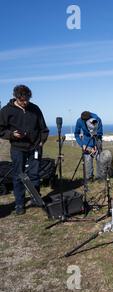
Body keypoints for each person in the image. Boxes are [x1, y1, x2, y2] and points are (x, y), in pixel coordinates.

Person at [0, 85, 49, 215]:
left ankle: (36, 199)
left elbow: (43, 128)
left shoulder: (35, 109)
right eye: (22, 100)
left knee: (34, 174)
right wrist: (12, 135)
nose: (25, 102)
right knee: (18, 176)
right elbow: (1, 130)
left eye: (27, 99)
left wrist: (41, 142)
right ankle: (20, 204)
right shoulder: (6, 111)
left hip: (35, 147)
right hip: (17, 148)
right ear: (16, 98)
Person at [74, 111, 103, 181]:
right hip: (86, 143)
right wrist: (82, 145)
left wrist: (96, 145)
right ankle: (89, 178)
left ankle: (100, 178)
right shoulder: (79, 121)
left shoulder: (97, 119)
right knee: (87, 162)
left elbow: (100, 133)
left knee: (100, 160)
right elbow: (76, 134)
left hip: (97, 141)